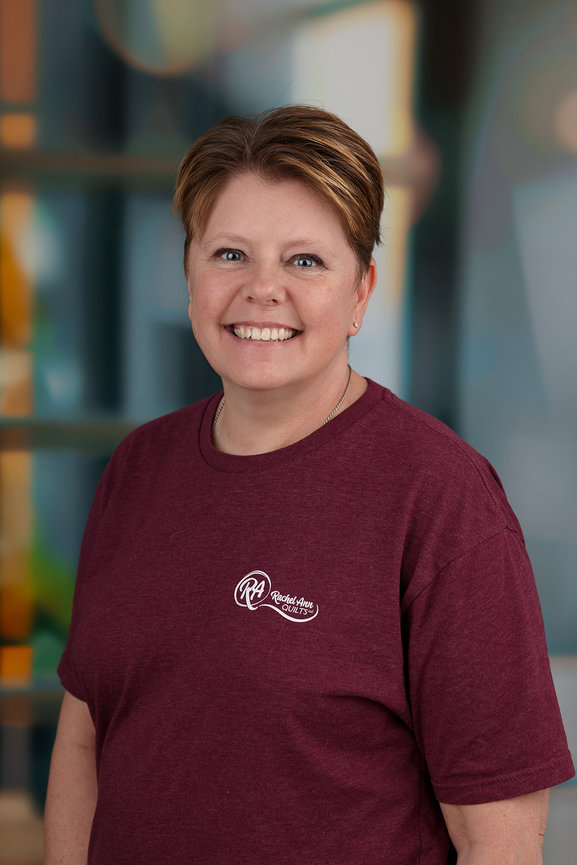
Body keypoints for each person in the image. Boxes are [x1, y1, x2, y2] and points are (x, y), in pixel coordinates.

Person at [44, 105, 574, 865]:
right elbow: (85, 729)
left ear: (360, 292)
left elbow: (500, 843)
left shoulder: (440, 497)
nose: (262, 289)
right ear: (189, 272)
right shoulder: (138, 468)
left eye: (304, 261)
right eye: (229, 254)